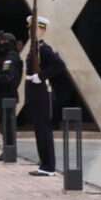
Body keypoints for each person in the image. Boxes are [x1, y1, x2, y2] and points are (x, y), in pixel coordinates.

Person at [24, 16, 67, 176]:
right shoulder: (34, 48)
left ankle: (48, 166)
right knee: (38, 128)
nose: (31, 31)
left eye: (34, 28)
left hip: (41, 92)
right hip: (34, 91)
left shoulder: (44, 49)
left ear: (42, 30)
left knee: (43, 129)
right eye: (29, 28)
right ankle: (44, 164)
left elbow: (60, 66)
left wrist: (41, 76)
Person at [0, 32, 22, 161]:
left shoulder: (12, 57)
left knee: (8, 124)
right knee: (1, 121)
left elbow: (9, 77)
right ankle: (6, 148)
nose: (1, 44)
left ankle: (10, 150)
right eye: (1, 41)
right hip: (0, 95)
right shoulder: (3, 57)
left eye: (4, 41)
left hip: (8, 95)